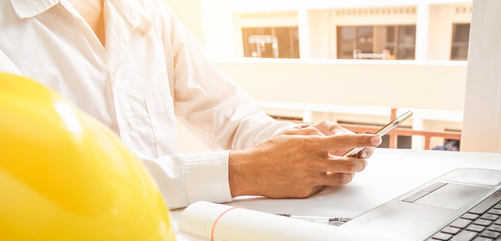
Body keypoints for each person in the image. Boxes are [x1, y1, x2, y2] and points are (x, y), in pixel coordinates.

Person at [0, 0, 380, 208]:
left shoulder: (150, 13)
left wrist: (303, 141)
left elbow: (229, 115)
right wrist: (242, 172)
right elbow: (51, 180)